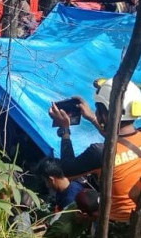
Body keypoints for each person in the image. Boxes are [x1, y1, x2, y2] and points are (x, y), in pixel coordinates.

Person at [49, 78, 141, 235]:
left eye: (99, 110)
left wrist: (65, 130)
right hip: (137, 221)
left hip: (115, 227)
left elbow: (66, 171)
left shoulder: (99, 153)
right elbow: (119, 140)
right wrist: (92, 117)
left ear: (106, 114)